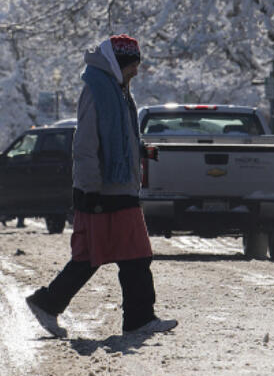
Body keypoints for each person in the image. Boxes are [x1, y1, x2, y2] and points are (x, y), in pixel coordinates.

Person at [25, 34, 177, 339]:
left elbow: (118, 140)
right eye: (132, 65)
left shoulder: (116, 90)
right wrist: (90, 190)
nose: (136, 71)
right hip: (104, 191)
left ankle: (133, 317)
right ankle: (54, 304)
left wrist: (142, 151)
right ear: (117, 63)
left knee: (121, 256)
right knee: (108, 256)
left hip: (118, 189)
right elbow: (85, 145)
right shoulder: (98, 92)